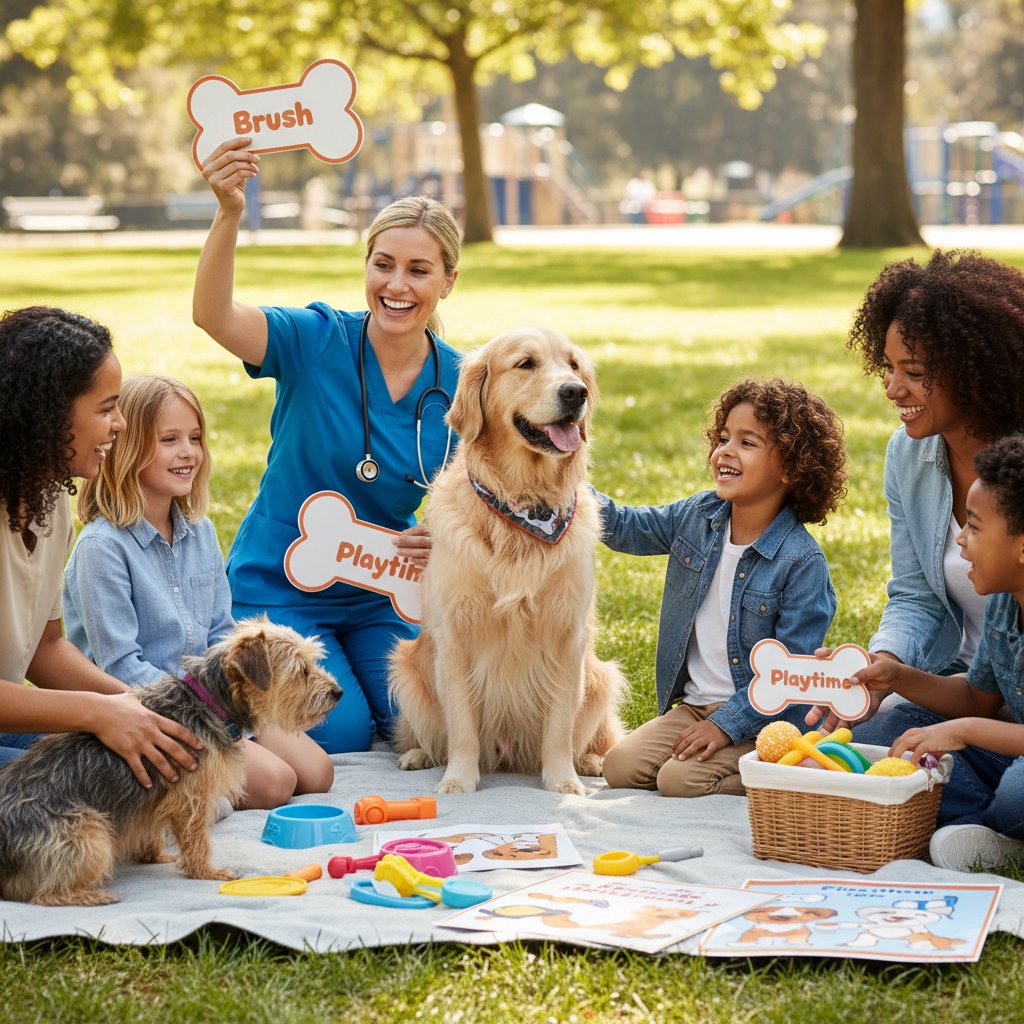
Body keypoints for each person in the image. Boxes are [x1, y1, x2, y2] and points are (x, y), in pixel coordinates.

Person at [193, 137, 461, 754]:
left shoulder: (461, 383)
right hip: (280, 584)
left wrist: (442, 532)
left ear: (447, 281)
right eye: (383, 264)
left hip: (380, 592)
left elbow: (485, 490)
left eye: (419, 270)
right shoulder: (314, 338)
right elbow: (213, 315)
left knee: (417, 725)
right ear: (366, 266)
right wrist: (229, 212)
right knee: (335, 731)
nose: (396, 284)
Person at [63, 375, 333, 808]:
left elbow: (221, 634)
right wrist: (215, 714)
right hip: (158, 711)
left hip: (220, 700)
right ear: (128, 449)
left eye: (195, 438)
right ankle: (185, 802)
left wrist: (242, 709)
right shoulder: (102, 547)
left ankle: (213, 782)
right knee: (277, 783)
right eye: (169, 440)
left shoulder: (201, 533)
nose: (188, 451)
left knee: (318, 774)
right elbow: (121, 668)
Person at [599, 378, 847, 797]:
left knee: (678, 780)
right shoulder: (699, 516)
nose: (725, 451)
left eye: (747, 443)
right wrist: (564, 482)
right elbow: (627, 527)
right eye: (723, 437)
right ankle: (734, 759)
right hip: (696, 709)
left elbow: (791, 678)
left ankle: (785, 771)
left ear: (790, 468)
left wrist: (726, 725)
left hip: (761, 717)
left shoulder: (802, 562)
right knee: (618, 767)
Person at [815, 251, 1024, 739]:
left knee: (1008, 800)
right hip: (961, 686)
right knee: (864, 746)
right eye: (888, 368)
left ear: (973, 368)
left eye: (914, 371)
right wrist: (882, 666)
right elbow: (915, 594)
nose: (892, 389)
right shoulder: (906, 456)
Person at [0, 306, 202, 783]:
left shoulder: (49, 509)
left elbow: (45, 648)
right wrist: (96, 713)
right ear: (48, 414)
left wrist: (137, 708)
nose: (121, 425)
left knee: (149, 769)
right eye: (107, 408)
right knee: (69, 802)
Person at [850, 434, 1024, 872]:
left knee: (1018, 791)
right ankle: (989, 831)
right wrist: (897, 677)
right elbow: (976, 699)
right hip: (1010, 751)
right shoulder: (1005, 602)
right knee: (885, 731)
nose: (960, 540)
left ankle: (992, 826)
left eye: (975, 526)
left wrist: (964, 731)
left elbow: (971, 720)